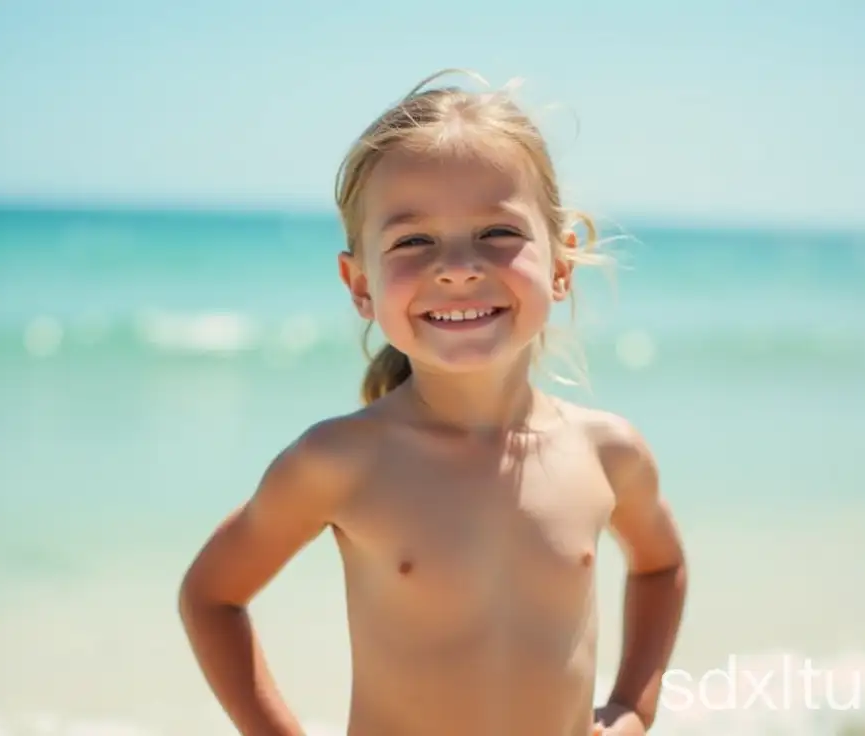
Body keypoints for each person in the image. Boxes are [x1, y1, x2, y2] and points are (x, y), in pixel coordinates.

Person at [178, 69, 688, 736]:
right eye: (413, 241)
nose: (458, 267)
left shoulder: (608, 453)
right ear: (360, 284)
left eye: (498, 233)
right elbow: (212, 596)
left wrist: (633, 709)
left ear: (562, 263)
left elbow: (662, 565)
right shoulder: (340, 461)